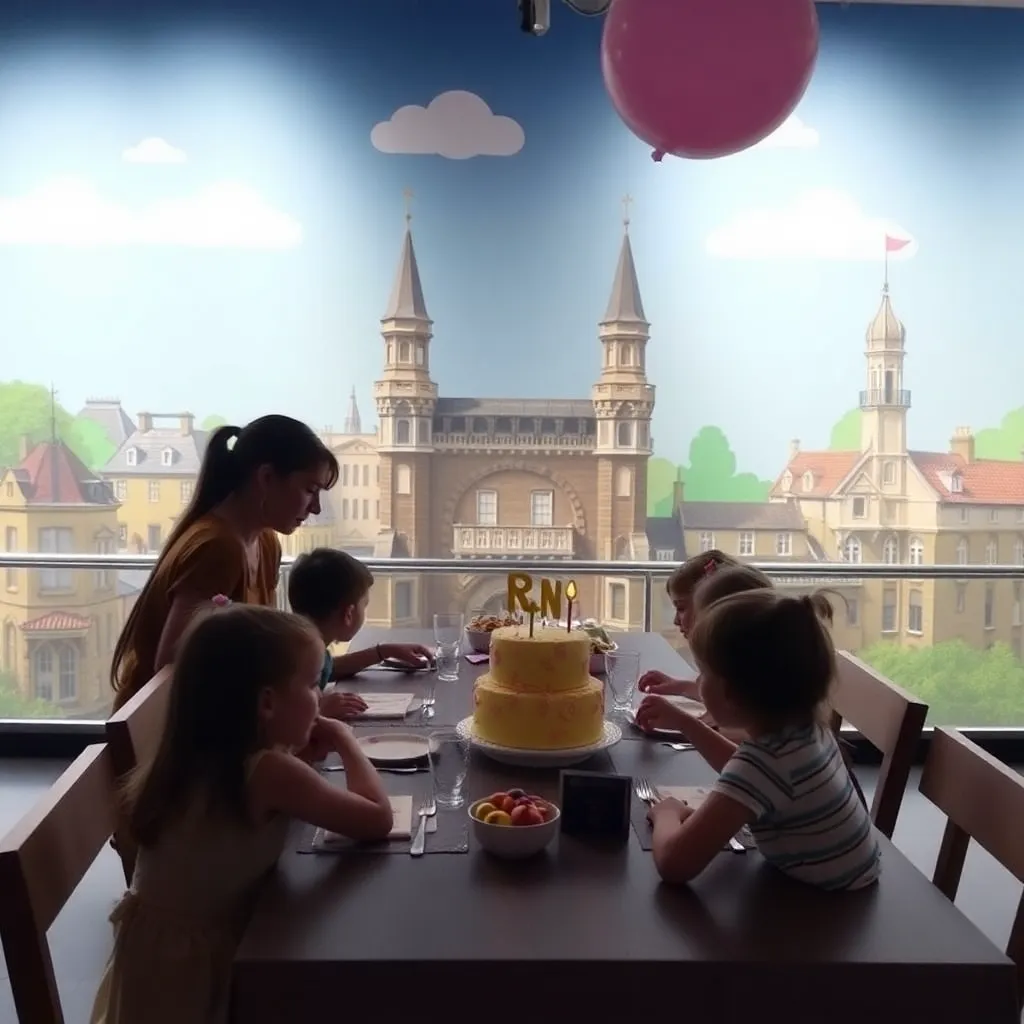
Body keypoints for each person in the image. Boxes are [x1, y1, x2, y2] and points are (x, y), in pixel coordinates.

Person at [91, 604, 395, 1024]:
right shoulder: (269, 772)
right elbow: (378, 819)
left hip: (155, 962)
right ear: (267, 703)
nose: (319, 697)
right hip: (199, 977)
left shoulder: (198, 754)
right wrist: (345, 738)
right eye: (312, 685)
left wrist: (301, 755)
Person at [637, 589, 881, 891]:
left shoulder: (762, 765)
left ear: (731, 692)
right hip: (855, 879)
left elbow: (674, 864)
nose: (698, 682)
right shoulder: (805, 729)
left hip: (824, 905)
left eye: (703, 673)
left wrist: (667, 814)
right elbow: (742, 769)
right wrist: (686, 723)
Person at [109, 414, 339, 711]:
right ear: (266, 478)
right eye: (309, 490)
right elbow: (171, 665)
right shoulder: (218, 548)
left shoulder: (266, 542)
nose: (316, 508)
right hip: (164, 727)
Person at [286, 547, 434, 719]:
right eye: (364, 605)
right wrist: (318, 712)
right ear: (348, 614)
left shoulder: (303, 646)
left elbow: (328, 669)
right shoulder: (292, 663)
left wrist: (384, 652)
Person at [638, 552, 769, 702]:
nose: (676, 621)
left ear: (712, 609)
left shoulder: (734, 667)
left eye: (681, 608)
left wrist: (677, 717)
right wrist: (678, 687)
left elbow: (728, 711)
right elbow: (725, 700)